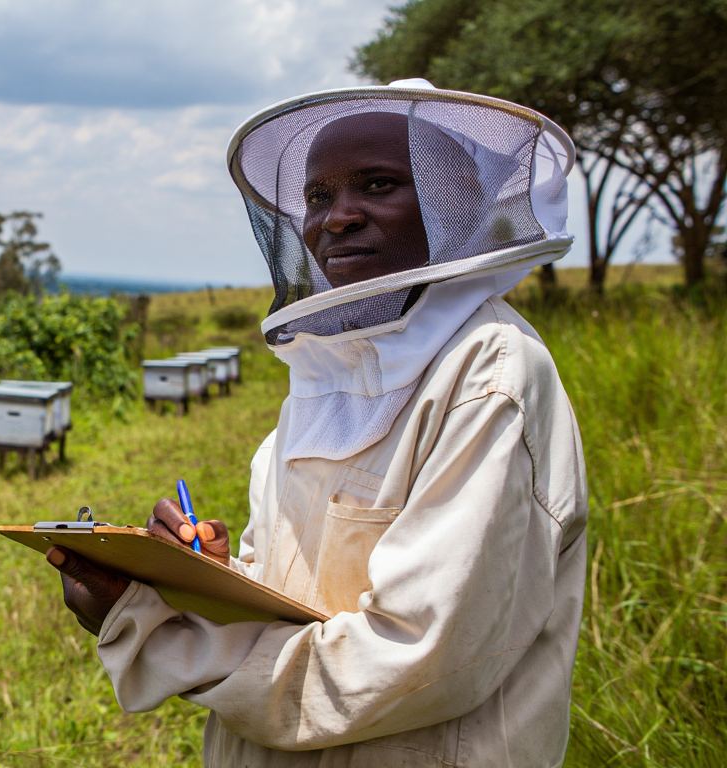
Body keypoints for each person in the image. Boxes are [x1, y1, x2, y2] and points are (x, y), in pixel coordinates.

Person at [45, 80, 588, 766]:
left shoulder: (488, 373)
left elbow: (416, 656)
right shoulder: (329, 373)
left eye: (379, 183)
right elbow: (294, 590)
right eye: (319, 196)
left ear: (456, 210)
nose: (336, 218)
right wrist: (202, 578)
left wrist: (159, 634)